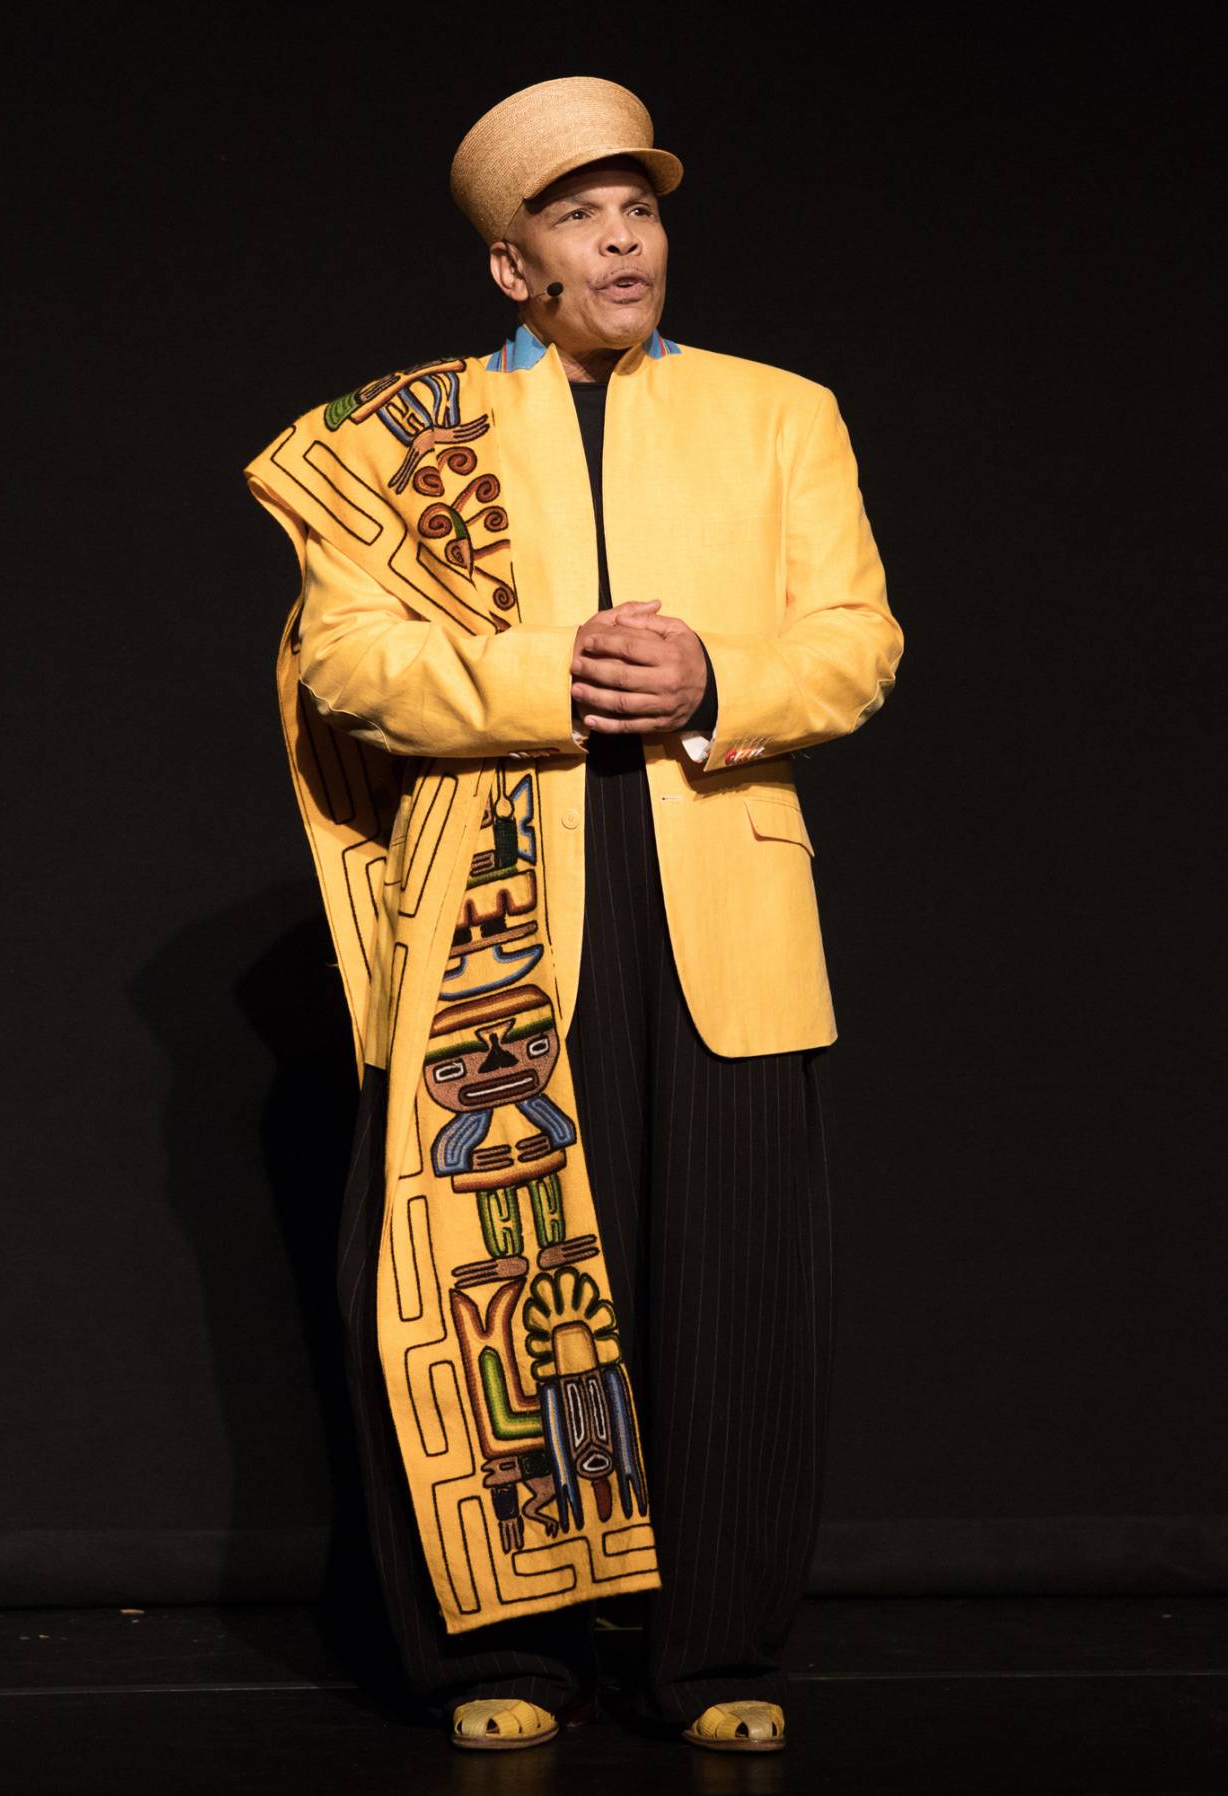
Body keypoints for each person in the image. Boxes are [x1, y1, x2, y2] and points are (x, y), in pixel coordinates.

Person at [244, 75, 903, 1755]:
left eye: (640, 209)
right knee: (495, 1279)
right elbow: (349, 663)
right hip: (493, 909)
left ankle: (715, 1650)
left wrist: (711, 682)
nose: (622, 240)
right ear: (510, 266)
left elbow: (855, 642)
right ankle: (506, 1652)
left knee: (733, 1284)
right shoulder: (407, 437)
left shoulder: (781, 412)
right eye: (579, 216)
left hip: (720, 903)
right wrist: (555, 679)